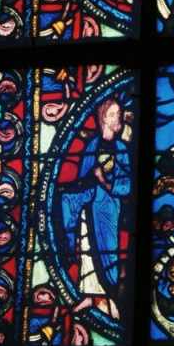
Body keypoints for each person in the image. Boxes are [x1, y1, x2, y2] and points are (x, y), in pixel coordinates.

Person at [58, 95, 132, 318]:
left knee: (107, 250)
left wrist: (104, 181)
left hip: (108, 208)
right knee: (88, 248)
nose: (117, 118)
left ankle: (109, 296)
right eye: (112, 114)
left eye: (118, 114)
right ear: (103, 118)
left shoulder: (121, 148)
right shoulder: (92, 145)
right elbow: (83, 177)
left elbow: (127, 185)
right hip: (89, 204)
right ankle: (90, 295)